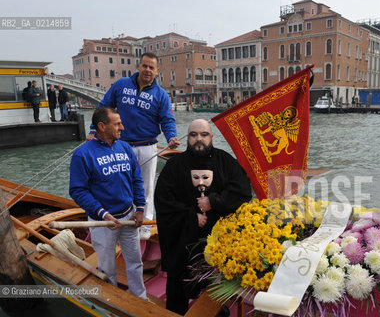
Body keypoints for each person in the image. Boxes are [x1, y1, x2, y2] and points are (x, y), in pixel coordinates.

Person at [154, 119, 252, 315]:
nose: (199, 139)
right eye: (194, 135)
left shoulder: (226, 162)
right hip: (182, 240)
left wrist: (213, 201)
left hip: (217, 241)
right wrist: (191, 216)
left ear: (211, 137)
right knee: (177, 294)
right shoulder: (174, 166)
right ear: (187, 137)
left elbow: (242, 191)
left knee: (216, 292)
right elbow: (163, 202)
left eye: (204, 134)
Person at [89, 52, 180, 240]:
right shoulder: (121, 85)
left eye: (151, 67)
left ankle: (145, 224)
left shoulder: (161, 95)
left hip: (148, 147)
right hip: (120, 145)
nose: (147, 70)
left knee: (146, 188)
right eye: (145, 66)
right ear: (138, 67)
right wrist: (93, 130)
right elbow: (103, 108)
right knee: (117, 184)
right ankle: (119, 219)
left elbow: (167, 119)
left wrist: (172, 136)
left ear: (156, 71)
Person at [69, 107, 147, 299]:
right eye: (117, 123)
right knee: (107, 267)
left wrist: (140, 208)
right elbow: (78, 190)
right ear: (102, 126)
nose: (122, 127)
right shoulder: (82, 155)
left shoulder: (125, 147)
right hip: (102, 222)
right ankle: (111, 299)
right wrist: (103, 213)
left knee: (136, 262)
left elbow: (136, 179)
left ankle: (140, 297)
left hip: (129, 216)